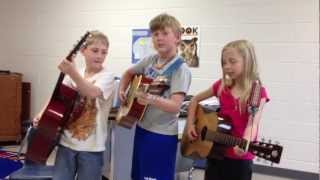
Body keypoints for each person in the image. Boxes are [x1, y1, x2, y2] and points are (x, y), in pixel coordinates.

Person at [33, 30, 115, 180]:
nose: (99, 56)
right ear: (83, 51)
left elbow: (91, 92)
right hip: (66, 142)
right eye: (95, 50)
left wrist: (71, 72)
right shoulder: (77, 72)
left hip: (91, 148)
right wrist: (42, 113)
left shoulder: (107, 76)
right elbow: (57, 95)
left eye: (104, 52)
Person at [118, 13, 191, 180]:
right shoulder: (150, 60)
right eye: (156, 34)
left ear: (177, 37)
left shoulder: (180, 69)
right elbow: (128, 73)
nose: (159, 38)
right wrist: (122, 90)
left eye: (165, 33)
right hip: (142, 128)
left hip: (162, 135)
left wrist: (151, 99)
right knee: (138, 175)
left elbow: (175, 106)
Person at [185, 40, 269, 180]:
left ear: (247, 62)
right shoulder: (222, 86)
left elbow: (252, 124)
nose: (227, 66)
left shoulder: (257, 93)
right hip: (216, 152)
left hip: (240, 159)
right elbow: (194, 100)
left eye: (232, 61)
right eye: (224, 63)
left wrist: (245, 142)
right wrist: (190, 124)